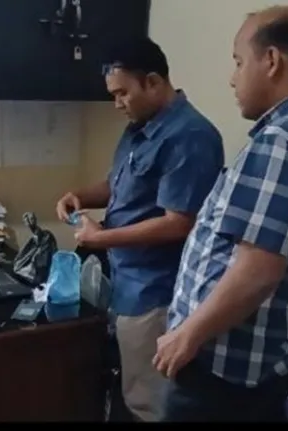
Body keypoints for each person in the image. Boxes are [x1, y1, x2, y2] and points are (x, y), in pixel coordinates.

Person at [153, 6, 288, 422]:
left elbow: (257, 271)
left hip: (222, 369)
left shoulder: (284, 140)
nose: (232, 77)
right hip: (265, 360)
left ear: (272, 60)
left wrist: (187, 334)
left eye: (239, 62)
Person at [56, 37, 224, 421]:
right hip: (127, 282)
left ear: (153, 82)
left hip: (157, 292)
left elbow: (179, 223)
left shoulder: (191, 136)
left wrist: (101, 237)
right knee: (132, 391)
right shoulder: (140, 126)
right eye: (113, 95)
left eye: (122, 94)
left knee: (150, 403)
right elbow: (118, 184)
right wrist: (78, 195)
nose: (117, 104)